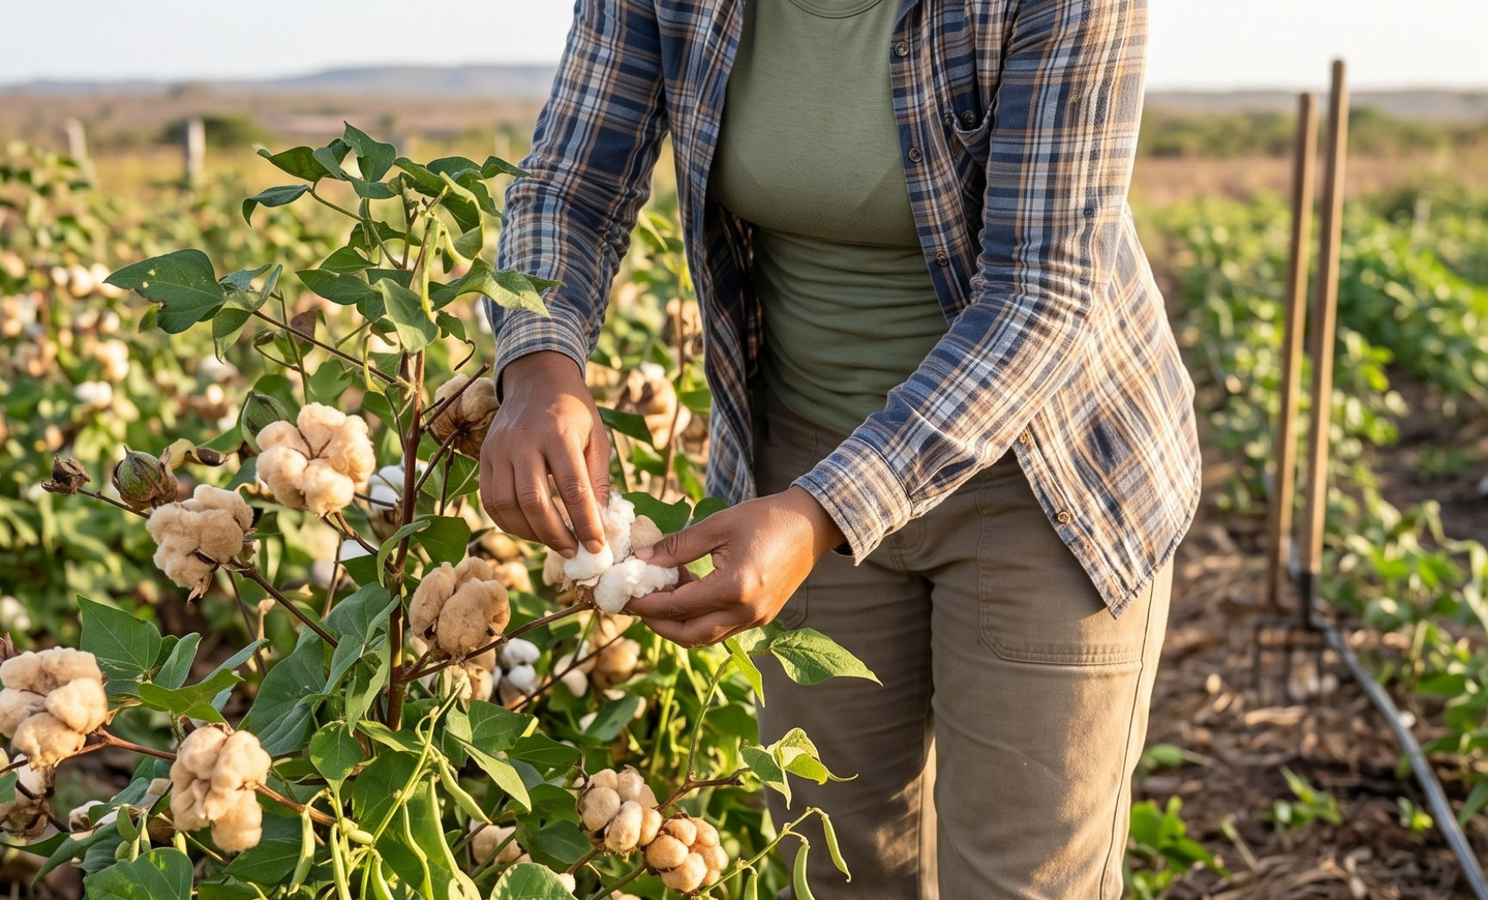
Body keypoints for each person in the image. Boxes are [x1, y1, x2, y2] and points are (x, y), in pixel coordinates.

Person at [479, 0, 1201, 897]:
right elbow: (570, 187)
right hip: (802, 451)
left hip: (1045, 474)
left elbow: (1042, 294)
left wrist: (823, 511)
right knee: (840, 867)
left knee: (1025, 878)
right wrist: (541, 366)